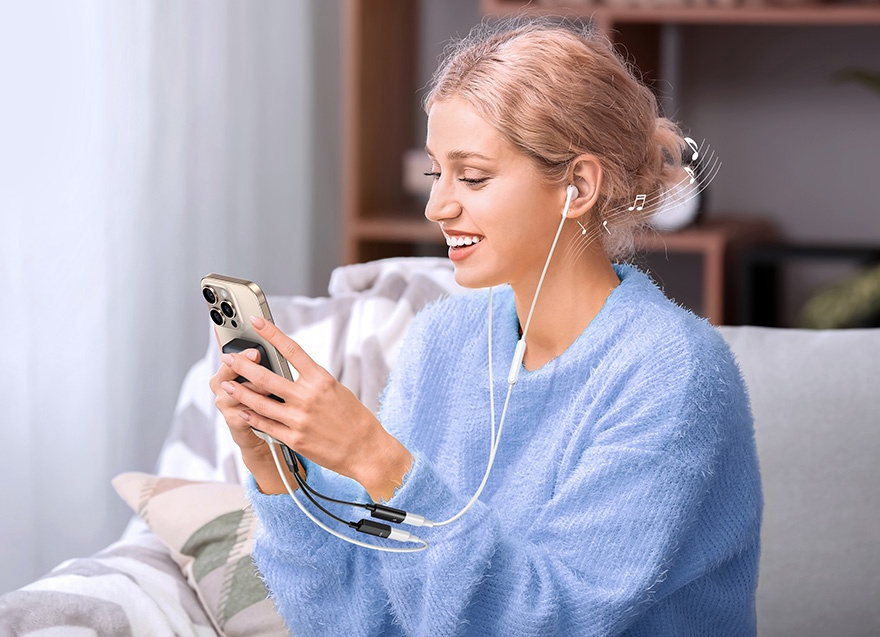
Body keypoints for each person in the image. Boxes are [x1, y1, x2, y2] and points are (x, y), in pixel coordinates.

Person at [211, 17, 761, 637]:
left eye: (471, 176)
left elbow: (553, 623)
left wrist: (374, 457)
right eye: (435, 174)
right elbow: (360, 620)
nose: (437, 206)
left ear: (577, 185)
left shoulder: (674, 374)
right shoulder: (443, 340)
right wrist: (280, 473)